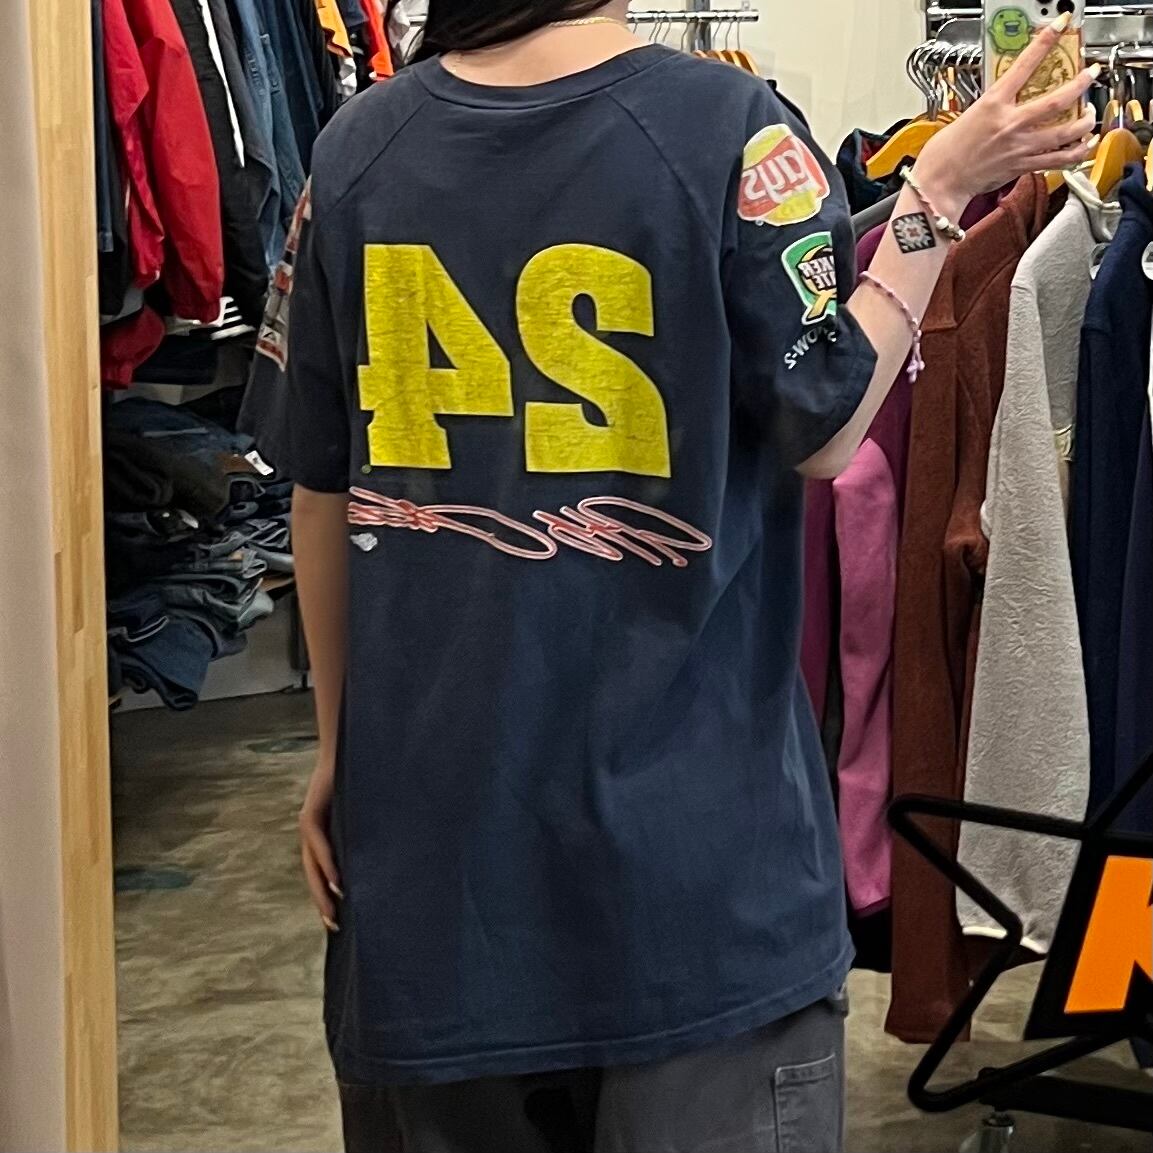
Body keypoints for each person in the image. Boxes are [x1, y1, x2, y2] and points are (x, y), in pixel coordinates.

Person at [252, 3, 1095, 1149]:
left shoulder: (354, 151)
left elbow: (320, 489)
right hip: (702, 887)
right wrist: (937, 191)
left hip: (434, 878)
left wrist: (339, 753)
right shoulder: (736, 134)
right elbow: (828, 425)